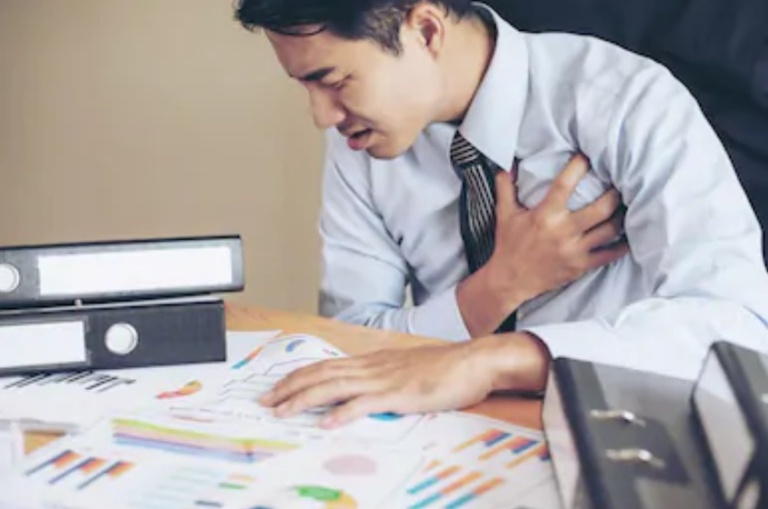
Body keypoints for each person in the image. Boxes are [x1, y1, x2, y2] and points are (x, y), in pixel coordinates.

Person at [233, 0, 768, 428]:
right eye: (305, 86)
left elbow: (736, 327)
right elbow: (352, 341)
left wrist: (490, 361)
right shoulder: (357, 145)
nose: (321, 115)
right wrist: (495, 290)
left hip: (618, 427)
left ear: (425, 31)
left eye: (332, 81)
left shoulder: (623, 99)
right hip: (436, 442)